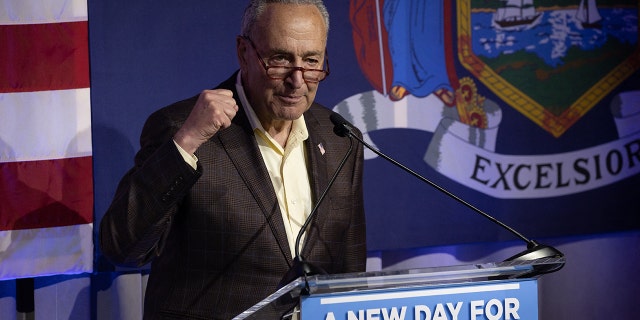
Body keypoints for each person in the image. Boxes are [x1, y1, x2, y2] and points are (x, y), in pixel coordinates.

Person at [99, 0, 367, 319]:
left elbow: (349, 270)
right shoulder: (184, 128)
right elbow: (123, 248)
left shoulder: (340, 138)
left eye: (311, 61)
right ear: (243, 52)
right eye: (280, 59)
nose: (298, 80)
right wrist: (185, 144)